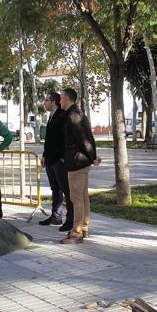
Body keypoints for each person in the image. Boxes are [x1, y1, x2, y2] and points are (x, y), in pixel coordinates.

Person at [59, 88, 101, 244]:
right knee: (83, 198)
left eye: (61, 98)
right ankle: (83, 228)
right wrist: (92, 156)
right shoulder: (77, 113)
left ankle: (76, 233)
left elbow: (84, 140)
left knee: (76, 199)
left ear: (68, 99)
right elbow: (88, 139)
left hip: (77, 162)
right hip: (81, 161)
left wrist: (93, 156)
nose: (60, 101)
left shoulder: (73, 116)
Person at [40, 92, 72, 231]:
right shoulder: (51, 116)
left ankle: (70, 220)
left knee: (66, 190)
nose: (44, 103)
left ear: (53, 102)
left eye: (46, 100)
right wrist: (44, 155)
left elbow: (65, 139)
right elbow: (49, 140)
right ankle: (56, 216)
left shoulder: (62, 116)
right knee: (55, 189)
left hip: (59, 161)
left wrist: (62, 157)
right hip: (50, 160)